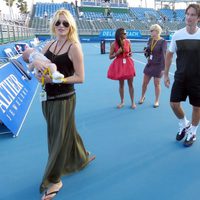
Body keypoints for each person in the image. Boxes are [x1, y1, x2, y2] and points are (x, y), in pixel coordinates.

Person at [31, 9, 95, 200]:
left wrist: (58, 81)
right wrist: (38, 74)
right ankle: (81, 157)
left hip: (65, 99)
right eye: (58, 23)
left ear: (71, 26)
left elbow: (80, 77)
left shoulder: (74, 47)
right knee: (68, 131)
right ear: (53, 25)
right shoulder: (49, 44)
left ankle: (54, 179)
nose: (61, 26)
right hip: (47, 99)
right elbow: (37, 64)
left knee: (57, 138)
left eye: (65, 23)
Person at [164, 4, 200, 147]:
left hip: (198, 79)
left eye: (192, 15)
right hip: (180, 77)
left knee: (197, 107)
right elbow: (169, 54)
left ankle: (193, 132)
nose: (189, 17)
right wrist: (166, 74)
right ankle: (184, 123)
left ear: (198, 18)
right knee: (174, 104)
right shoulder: (177, 35)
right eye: (187, 14)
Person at [139, 24, 167, 108]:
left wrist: (163, 68)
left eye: (152, 31)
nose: (150, 32)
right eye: (150, 31)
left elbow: (164, 55)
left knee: (156, 84)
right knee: (144, 83)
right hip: (150, 64)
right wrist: (146, 51)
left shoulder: (163, 41)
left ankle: (156, 100)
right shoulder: (150, 40)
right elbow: (148, 52)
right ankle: (142, 97)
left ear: (157, 31)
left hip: (158, 66)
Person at [107, 28, 136, 109]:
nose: (126, 34)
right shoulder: (113, 44)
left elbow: (130, 52)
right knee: (121, 84)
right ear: (120, 34)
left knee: (130, 84)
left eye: (126, 33)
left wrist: (130, 54)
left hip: (128, 64)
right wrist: (117, 53)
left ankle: (133, 102)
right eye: (124, 33)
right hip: (119, 65)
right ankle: (122, 102)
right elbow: (110, 57)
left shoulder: (128, 42)